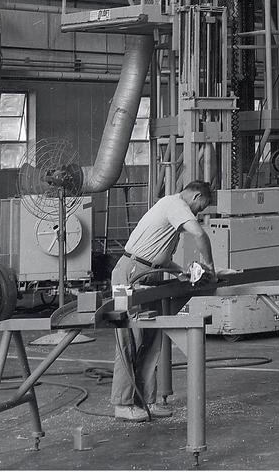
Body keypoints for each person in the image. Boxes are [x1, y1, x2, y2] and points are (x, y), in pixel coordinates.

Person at [111, 180, 215, 421]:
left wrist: (181, 272)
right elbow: (199, 234)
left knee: (150, 338)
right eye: (202, 207)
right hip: (127, 274)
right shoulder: (175, 204)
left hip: (148, 271)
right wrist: (210, 265)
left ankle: (147, 400)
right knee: (128, 337)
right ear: (196, 196)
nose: (199, 212)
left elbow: (160, 257)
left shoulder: (172, 211)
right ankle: (122, 403)